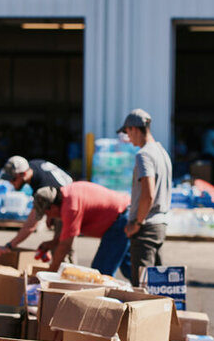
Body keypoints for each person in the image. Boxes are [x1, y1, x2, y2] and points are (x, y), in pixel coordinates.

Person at [118, 109, 172, 286]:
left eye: (127, 133)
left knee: (142, 287)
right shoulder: (162, 152)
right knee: (156, 286)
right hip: (160, 224)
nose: (128, 138)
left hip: (146, 227)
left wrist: (136, 223)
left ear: (134, 128)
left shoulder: (144, 155)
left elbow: (148, 195)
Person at [33, 183, 131, 279]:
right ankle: (144, 290)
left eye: (47, 213)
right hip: (123, 213)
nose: (49, 217)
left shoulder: (71, 207)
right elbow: (67, 236)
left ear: (52, 207)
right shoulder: (66, 194)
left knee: (100, 274)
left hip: (120, 219)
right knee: (130, 268)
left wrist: (48, 275)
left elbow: (65, 246)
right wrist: (53, 243)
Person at [0, 156, 72, 255]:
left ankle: (67, 267)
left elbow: (30, 225)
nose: (11, 183)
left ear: (24, 174)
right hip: (61, 197)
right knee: (59, 245)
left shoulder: (43, 187)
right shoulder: (32, 166)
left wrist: (9, 246)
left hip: (69, 205)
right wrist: (49, 216)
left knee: (62, 248)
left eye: (13, 179)